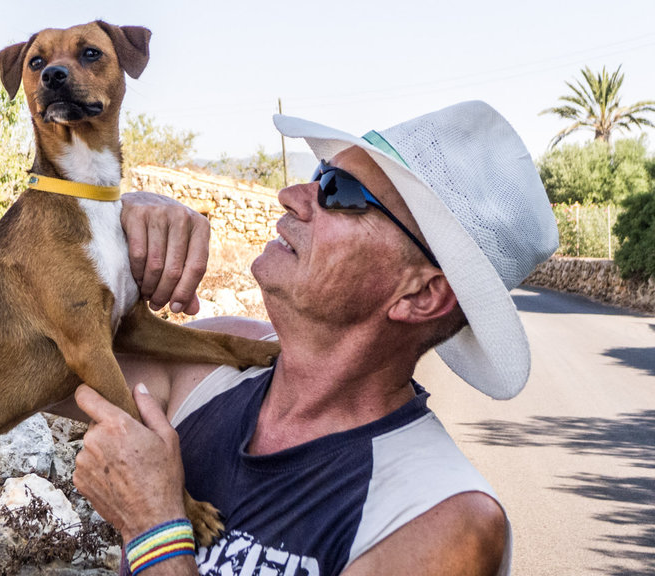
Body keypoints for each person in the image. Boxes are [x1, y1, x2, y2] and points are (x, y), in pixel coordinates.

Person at [69, 101, 559, 576]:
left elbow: (153, 529)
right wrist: (107, 224)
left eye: (339, 191)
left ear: (421, 294)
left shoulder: (442, 520)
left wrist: (154, 529)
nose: (292, 195)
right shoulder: (220, 359)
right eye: (319, 172)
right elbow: (27, 356)